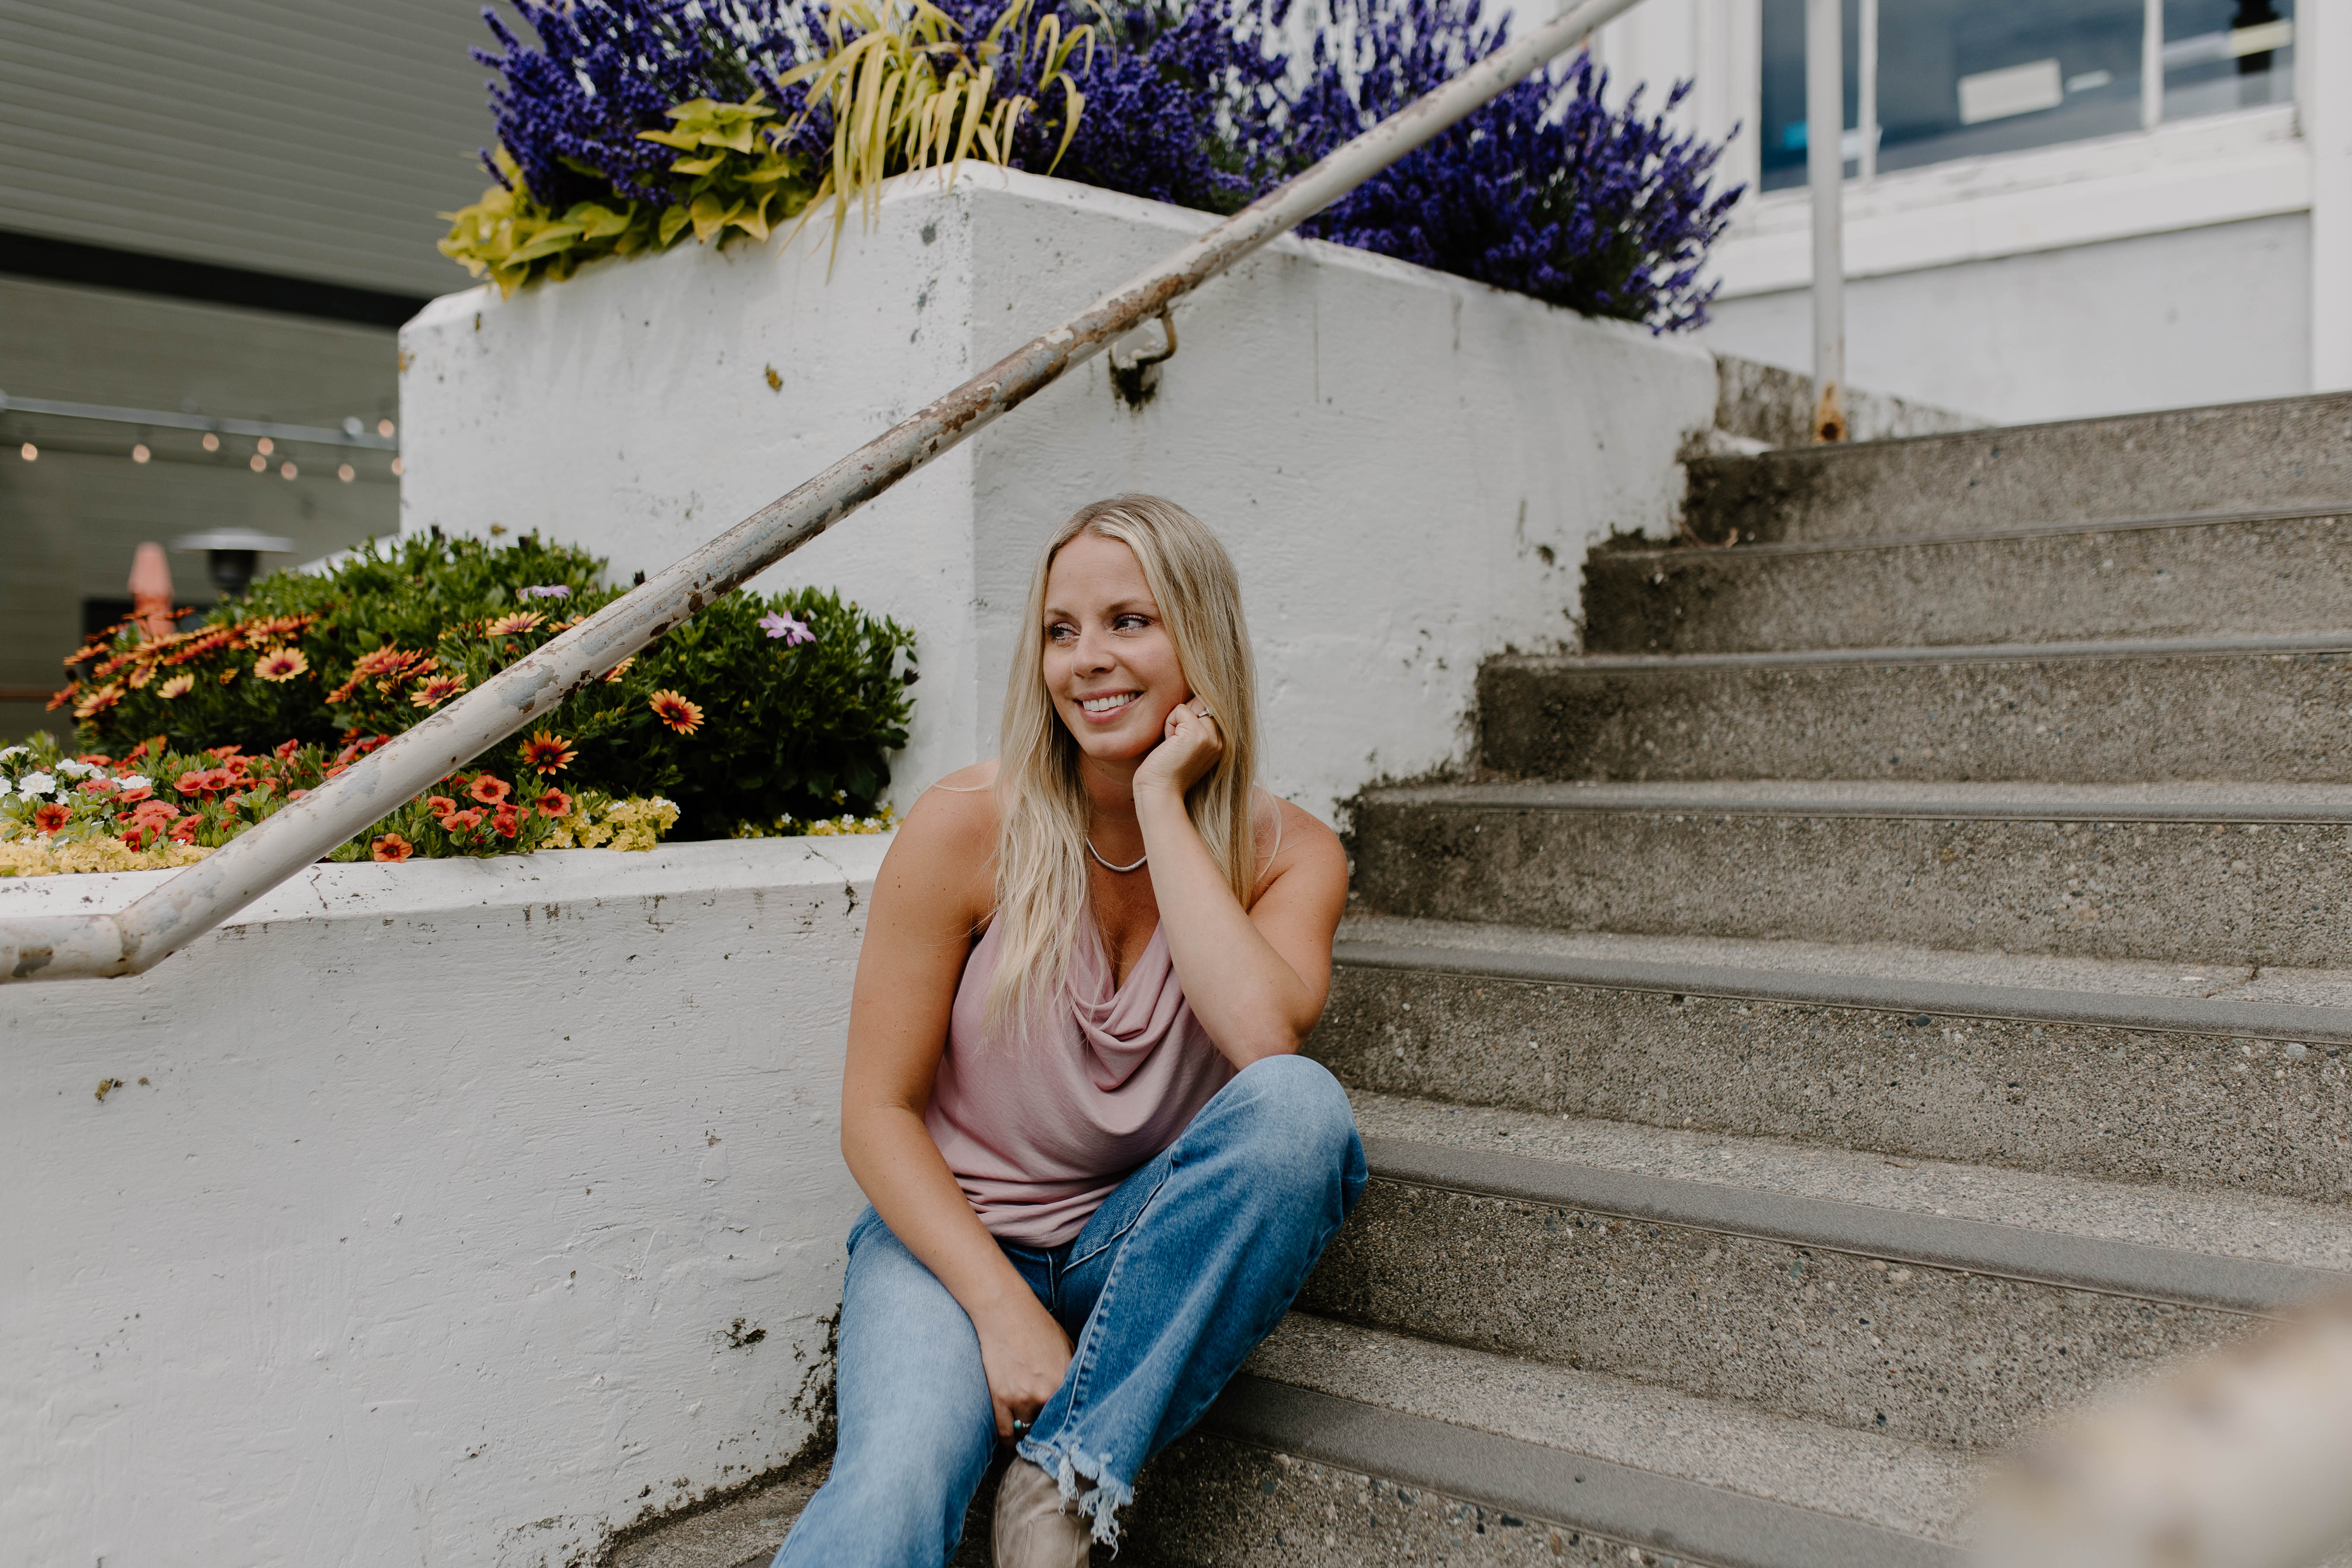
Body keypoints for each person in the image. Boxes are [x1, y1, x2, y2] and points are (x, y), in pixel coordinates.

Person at [771, 495, 1364, 1568]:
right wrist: (1001, 1308)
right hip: (950, 1245)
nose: (1086, 659)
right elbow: (877, 1112)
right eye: (1060, 629)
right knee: (893, 1486)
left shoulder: (1290, 854)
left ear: (1203, 639)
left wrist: (1162, 801)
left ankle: (1063, 1480)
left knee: (1304, 1111)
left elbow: (1263, 1040)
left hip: (1132, 1252)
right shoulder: (967, 826)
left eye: (1129, 621)